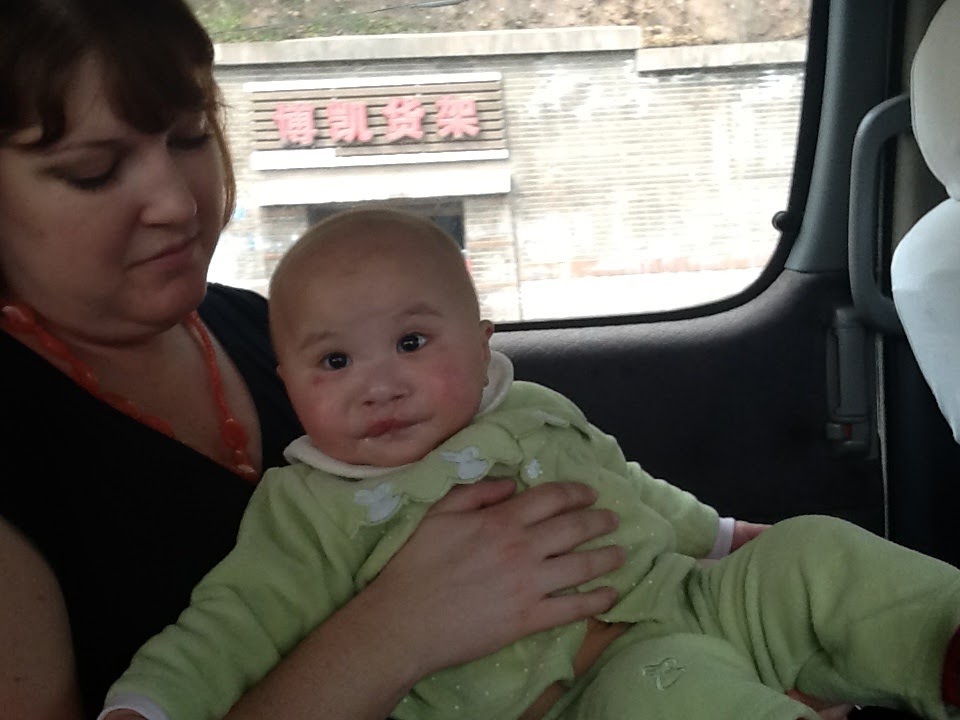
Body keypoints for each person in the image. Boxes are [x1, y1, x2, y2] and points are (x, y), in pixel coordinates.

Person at [0, 3, 632, 720]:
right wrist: (396, 632)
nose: (176, 202)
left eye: (191, 137)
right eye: (93, 171)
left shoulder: (270, 329)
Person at [102, 207, 960, 720]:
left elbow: (627, 485)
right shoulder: (308, 506)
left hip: (686, 600)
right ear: (288, 386)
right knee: (672, 691)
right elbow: (231, 625)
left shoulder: (534, 408)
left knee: (814, 551)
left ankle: (945, 647)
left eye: (411, 342)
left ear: (482, 345)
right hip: (578, 695)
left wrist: (728, 537)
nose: (380, 385)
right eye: (334, 362)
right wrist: (149, 704)